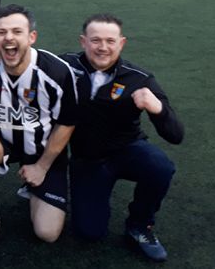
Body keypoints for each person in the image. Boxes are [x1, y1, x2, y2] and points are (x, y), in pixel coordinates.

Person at [62, 14, 183, 261]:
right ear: (83, 41)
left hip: (127, 150)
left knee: (160, 167)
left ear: (122, 43)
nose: (103, 47)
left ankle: (140, 225)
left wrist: (156, 108)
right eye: (95, 40)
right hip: (88, 160)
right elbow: (27, 62)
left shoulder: (139, 78)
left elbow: (175, 134)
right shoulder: (64, 66)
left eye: (110, 40)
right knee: (89, 232)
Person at [0, 4, 77, 250]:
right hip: (3, 141)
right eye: (1, 33)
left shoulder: (55, 72)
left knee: (47, 233)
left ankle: (36, 184)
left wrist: (41, 167)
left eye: (17, 31)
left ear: (31, 37)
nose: (9, 38)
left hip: (43, 149)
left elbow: (66, 124)